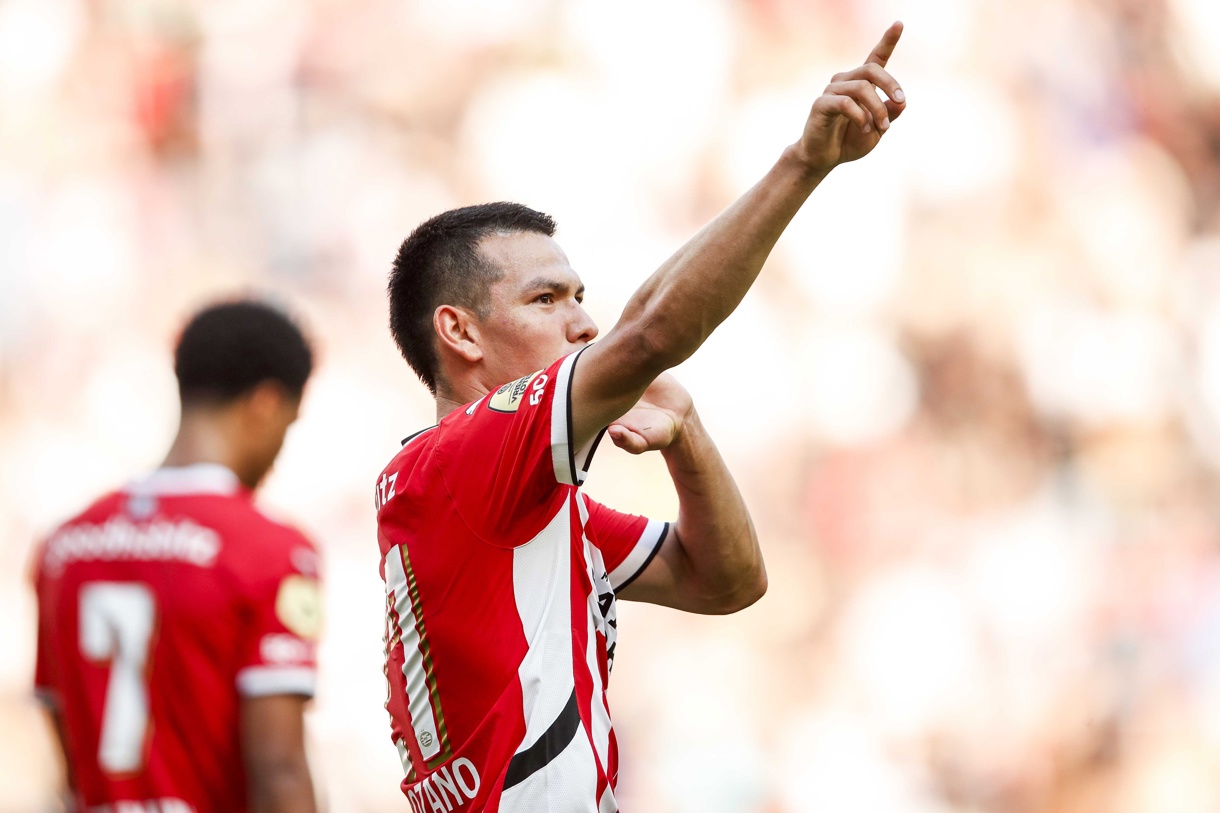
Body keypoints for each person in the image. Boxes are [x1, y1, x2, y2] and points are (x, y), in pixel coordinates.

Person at [376, 23, 907, 812]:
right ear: (458, 331)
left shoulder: (519, 502)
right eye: (546, 299)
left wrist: (686, 435)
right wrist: (804, 164)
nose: (582, 324)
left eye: (581, 298)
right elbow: (650, 332)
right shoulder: (463, 460)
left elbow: (726, 581)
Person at [32, 300, 322, 813]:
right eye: (290, 425)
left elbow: (70, 757)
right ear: (265, 404)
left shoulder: (63, 547)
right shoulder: (271, 548)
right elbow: (279, 770)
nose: (281, 450)